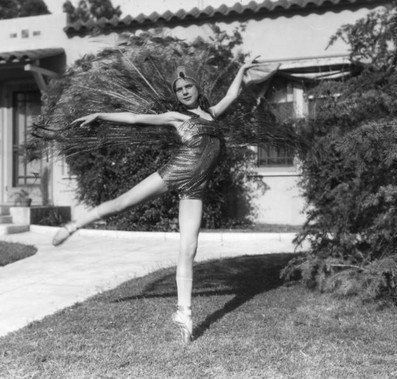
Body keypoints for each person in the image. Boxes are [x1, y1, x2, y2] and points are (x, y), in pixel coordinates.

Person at [52, 60, 268, 344]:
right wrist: (99, 114)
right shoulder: (175, 117)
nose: (185, 92)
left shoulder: (213, 114)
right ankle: (75, 224)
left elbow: (231, 95)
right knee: (122, 203)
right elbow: (134, 118)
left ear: (197, 87)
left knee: (189, 247)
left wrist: (241, 70)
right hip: (172, 173)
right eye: (179, 90)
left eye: (188, 86)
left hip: (195, 188)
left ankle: (184, 313)